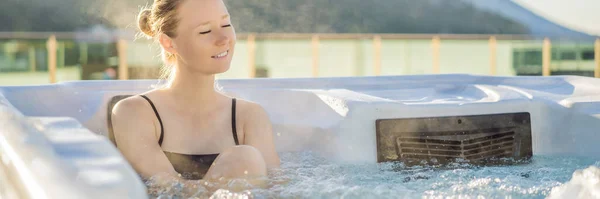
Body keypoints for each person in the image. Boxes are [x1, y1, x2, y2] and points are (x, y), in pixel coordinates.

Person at [110, 0, 280, 187]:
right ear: (168, 43)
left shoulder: (249, 117)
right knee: (243, 159)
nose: (224, 38)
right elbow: (167, 189)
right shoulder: (134, 112)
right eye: (205, 31)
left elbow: (278, 189)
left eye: (226, 24)